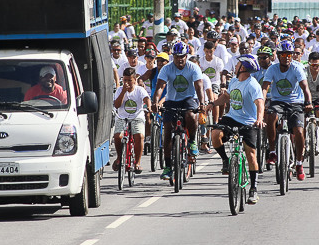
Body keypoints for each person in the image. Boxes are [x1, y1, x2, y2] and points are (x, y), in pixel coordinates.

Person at [207, 55, 265, 204]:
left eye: (238, 63)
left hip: (248, 122)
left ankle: (253, 189)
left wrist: (259, 119)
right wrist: (213, 104)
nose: (235, 65)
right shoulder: (233, 81)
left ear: (243, 68)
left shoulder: (252, 85)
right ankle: (226, 161)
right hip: (232, 117)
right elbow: (226, 97)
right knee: (215, 134)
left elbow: (259, 103)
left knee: (251, 155)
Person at [150, 42, 207, 180]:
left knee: (190, 115)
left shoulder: (193, 68)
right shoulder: (166, 69)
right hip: (172, 100)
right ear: (172, 56)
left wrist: (202, 103)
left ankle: (192, 141)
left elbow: (199, 87)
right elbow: (160, 87)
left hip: (189, 99)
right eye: (176, 56)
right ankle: (168, 167)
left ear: (186, 56)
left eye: (182, 56)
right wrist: (155, 102)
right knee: (168, 131)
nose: (179, 59)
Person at [262, 40, 314, 181]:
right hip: (278, 102)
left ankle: (298, 163)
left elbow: (305, 87)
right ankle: (272, 152)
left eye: (289, 54)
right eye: (284, 54)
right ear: (278, 56)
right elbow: (265, 88)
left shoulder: (297, 68)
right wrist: (261, 102)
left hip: (295, 103)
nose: (287, 57)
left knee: (298, 130)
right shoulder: (272, 69)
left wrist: (308, 102)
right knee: (271, 116)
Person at [112, 67, 151, 173]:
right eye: (125, 80)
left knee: (139, 136)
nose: (127, 83)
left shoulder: (140, 90)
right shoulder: (120, 90)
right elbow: (117, 105)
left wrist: (149, 107)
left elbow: (146, 99)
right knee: (118, 136)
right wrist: (123, 91)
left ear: (134, 80)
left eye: (129, 80)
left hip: (136, 117)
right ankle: (119, 158)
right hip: (122, 117)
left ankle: (137, 162)